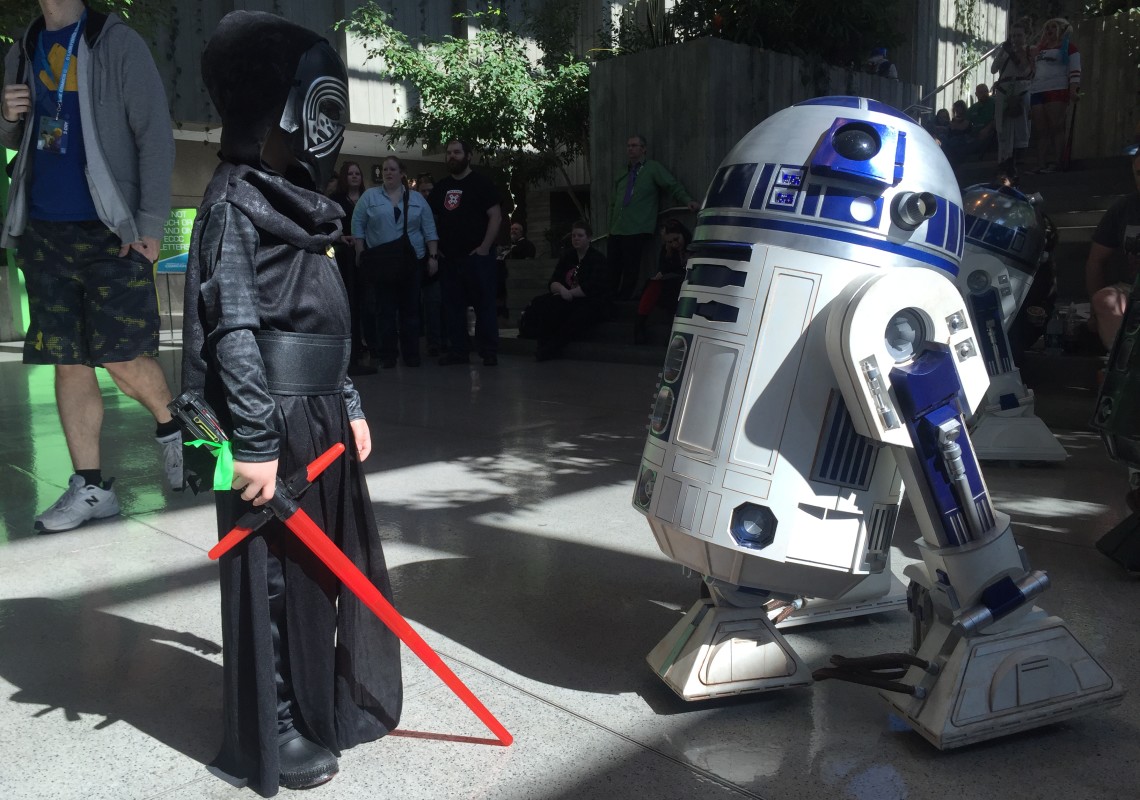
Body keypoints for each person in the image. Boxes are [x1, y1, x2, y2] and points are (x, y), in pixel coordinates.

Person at [183, 11, 402, 794]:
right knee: (270, 579)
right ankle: (273, 723)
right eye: (319, 107)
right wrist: (252, 438)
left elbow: (323, 311)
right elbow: (233, 325)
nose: (327, 131)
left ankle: (318, 701)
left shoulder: (299, 207)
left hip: (319, 414)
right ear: (274, 109)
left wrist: (348, 396)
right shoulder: (234, 201)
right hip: (265, 421)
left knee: (320, 570)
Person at [1, 0, 182, 533]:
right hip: (44, 229)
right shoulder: (23, 47)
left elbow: (155, 136)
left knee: (124, 358)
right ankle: (91, 487)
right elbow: (20, 139)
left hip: (111, 231)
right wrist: (8, 116)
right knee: (68, 360)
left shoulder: (117, 43)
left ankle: (179, 429)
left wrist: (149, 227)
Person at [353, 155, 439, 368]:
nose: (388, 173)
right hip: (382, 261)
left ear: (402, 173)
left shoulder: (417, 199)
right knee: (385, 310)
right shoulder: (370, 197)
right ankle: (388, 355)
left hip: (412, 261)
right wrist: (360, 251)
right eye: (385, 170)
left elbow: (429, 229)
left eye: (392, 169)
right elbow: (358, 225)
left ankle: (411, 355)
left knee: (411, 310)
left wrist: (433, 256)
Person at [428, 138, 503, 367]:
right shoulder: (440, 188)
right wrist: (437, 249)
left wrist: (484, 248)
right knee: (453, 308)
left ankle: (488, 351)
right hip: (450, 258)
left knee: (485, 306)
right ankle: (458, 351)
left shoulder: (482, 183)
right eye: (449, 153)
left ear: (468, 155)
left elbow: (496, 216)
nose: (452, 156)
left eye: (457, 152)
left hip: (477, 258)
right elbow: (430, 219)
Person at [608, 135, 699, 301]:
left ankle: (622, 302)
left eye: (634, 145)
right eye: (628, 146)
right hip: (617, 228)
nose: (630, 149)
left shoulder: (652, 168)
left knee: (631, 268)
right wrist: (610, 225)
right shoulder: (623, 171)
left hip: (637, 227)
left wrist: (687, 200)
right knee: (612, 267)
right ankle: (609, 301)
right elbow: (614, 201)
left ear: (644, 149)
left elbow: (671, 185)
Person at [519, 220, 608, 361]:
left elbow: (593, 287)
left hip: (588, 300)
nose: (576, 239)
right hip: (565, 296)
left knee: (577, 315)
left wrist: (568, 293)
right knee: (545, 304)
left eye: (580, 235)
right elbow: (554, 281)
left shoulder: (597, 259)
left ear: (589, 238)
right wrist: (561, 289)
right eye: (573, 236)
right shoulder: (568, 256)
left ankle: (552, 347)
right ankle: (541, 342)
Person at [1086, 152, 1140, 350]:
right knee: (1105, 300)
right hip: (1131, 288)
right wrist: (1094, 311)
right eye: (1139, 174)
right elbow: (1096, 261)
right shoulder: (1124, 208)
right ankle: (1124, 371)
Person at [330, 161, 374, 375]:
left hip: (366, 256)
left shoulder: (369, 199)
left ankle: (366, 346)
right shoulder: (335, 200)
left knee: (366, 303)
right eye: (351, 173)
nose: (355, 176)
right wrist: (342, 237)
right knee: (349, 303)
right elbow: (329, 227)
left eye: (358, 173)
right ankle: (350, 353)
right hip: (344, 257)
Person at [1029, 17, 1081, 174]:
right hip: (1037, 90)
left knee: (1056, 127)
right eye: (1047, 27)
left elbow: (1075, 70)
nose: (1049, 30)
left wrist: (1073, 89)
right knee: (1040, 130)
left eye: (1054, 27)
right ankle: (1041, 163)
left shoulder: (1070, 48)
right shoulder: (1039, 50)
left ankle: (1058, 162)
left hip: (1057, 89)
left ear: (1062, 30)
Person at [634, 219, 690, 345]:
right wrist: (661, 273)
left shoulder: (692, 245)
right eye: (670, 242)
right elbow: (663, 268)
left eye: (676, 239)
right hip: (671, 283)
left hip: (683, 283)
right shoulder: (666, 250)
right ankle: (640, 324)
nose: (674, 244)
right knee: (653, 284)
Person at [991, 21, 1035, 180]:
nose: (1016, 38)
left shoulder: (1029, 51)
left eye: (1019, 35)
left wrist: (1014, 54)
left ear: (1026, 36)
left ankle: (1016, 162)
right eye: (1013, 35)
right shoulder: (1003, 50)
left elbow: (1027, 70)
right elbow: (993, 69)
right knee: (1002, 126)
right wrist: (1004, 52)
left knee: (1020, 127)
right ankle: (1003, 162)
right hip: (1004, 88)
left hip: (1021, 88)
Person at [414, 172, 444, 356]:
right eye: (423, 191)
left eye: (429, 190)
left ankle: (435, 342)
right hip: (418, 260)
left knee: (434, 304)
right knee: (418, 305)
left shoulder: (439, 209)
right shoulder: (414, 208)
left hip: (434, 260)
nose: (426, 194)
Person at [496, 220, 537, 320]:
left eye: (516, 229)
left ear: (521, 232)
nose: (513, 231)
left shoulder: (528, 245)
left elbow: (528, 264)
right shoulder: (507, 247)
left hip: (516, 279)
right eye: (512, 229)